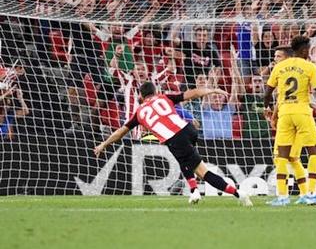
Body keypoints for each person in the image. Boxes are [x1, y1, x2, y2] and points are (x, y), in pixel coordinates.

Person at [93, 82, 252, 206]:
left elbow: (120, 132)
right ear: (155, 92)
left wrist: (103, 144)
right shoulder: (164, 97)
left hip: (175, 138)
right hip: (188, 129)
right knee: (184, 160)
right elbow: (193, 93)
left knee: (203, 173)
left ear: (141, 96)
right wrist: (212, 90)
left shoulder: (140, 112)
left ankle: (239, 194)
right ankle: (194, 190)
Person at [264, 36, 316, 206]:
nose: (310, 52)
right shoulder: (309, 67)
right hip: (302, 113)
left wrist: (266, 108)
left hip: (285, 114)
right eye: (309, 48)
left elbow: (268, 92)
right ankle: (311, 194)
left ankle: (282, 196)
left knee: (283, 155)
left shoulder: (279, 67)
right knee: (314, 152)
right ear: (304, 50)